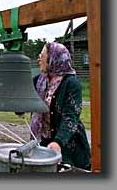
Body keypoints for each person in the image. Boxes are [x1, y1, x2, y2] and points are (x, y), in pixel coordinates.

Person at [30, 42, 91, 170]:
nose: (39, 58)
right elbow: (28, 103)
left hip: (68, 144)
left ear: (53, 58)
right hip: (43, 142)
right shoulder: (38, 80)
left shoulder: (71, 83)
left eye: (42, 55)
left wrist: (58, 142)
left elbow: (71, 118)